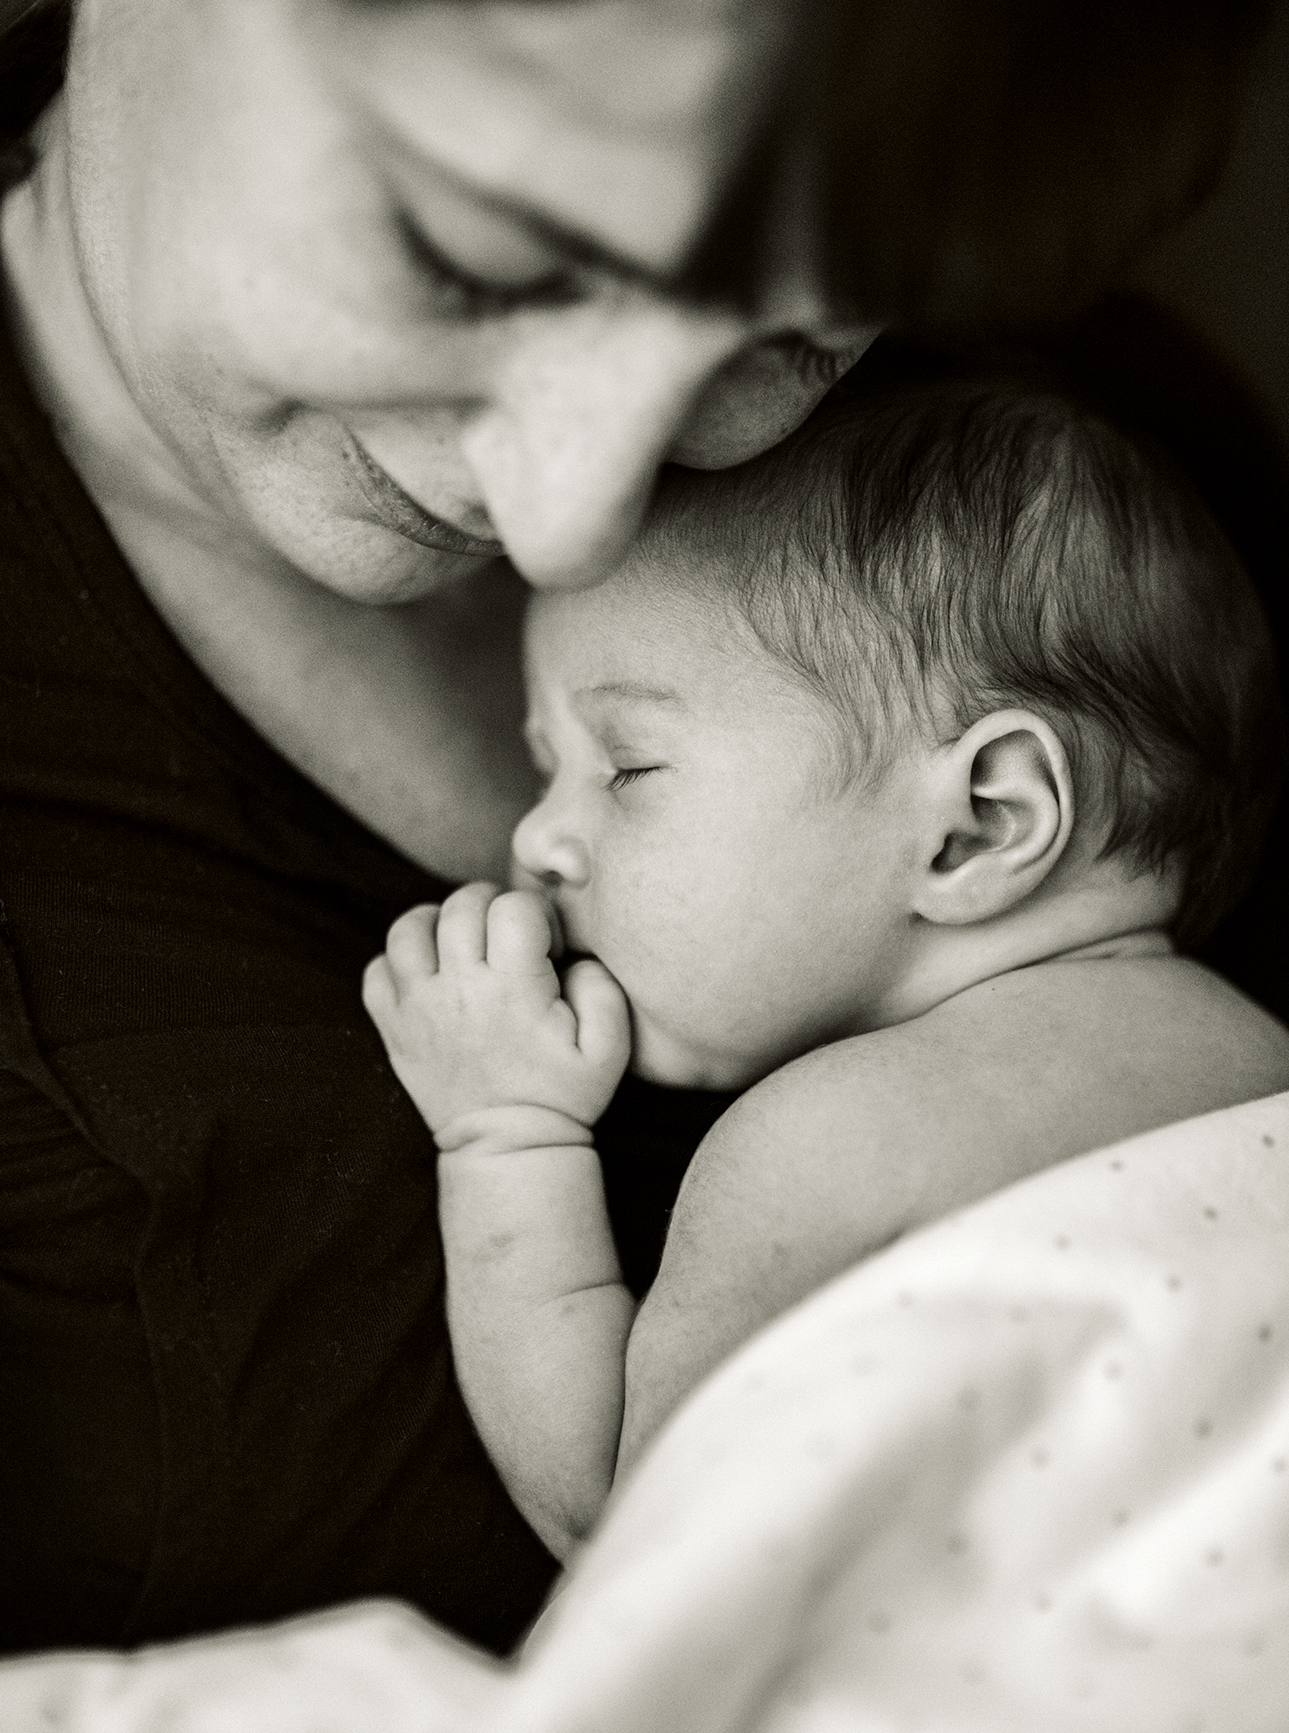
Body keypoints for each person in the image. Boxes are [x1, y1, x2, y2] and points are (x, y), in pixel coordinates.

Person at [0, 0, 1276, 1661]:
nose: (570, 515)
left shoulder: (1097, 459)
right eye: (474, 254)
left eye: (802, 344)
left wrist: (507, 1142)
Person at [365, 372, 1289, 1560]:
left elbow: (627, 1520)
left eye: (625, 767)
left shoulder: (824, 1145)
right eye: (547, 765)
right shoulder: (1256, 1058)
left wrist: (503, 1135)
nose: (537, 836)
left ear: (979, 828)